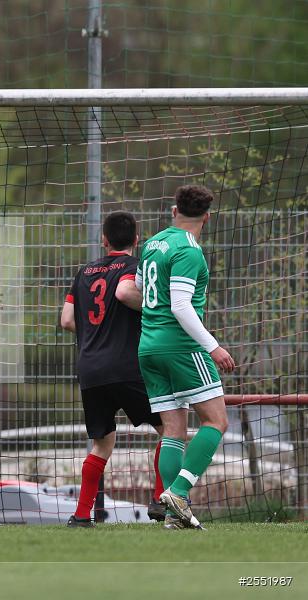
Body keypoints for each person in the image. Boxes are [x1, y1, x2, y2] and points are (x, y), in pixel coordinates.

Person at [137, 185, 236, 529]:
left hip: (148, 347)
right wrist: (213, 345)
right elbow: (180, 305)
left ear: (172, 209)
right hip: (181, 347)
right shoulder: (189, 251)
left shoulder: (151, 244)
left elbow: (140, 291)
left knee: (173, 430)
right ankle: (178, 492)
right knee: (216, 421)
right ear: (207, 217)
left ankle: (173, 516)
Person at [60, 211, 165, 527]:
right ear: (137, 239)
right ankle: (161, 499)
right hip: (128, 366)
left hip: (91, 369)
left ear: (103, 239)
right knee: (170, 429)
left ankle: (81, 515)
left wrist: (96, 332)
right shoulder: (136, 268)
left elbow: (66, 319)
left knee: (102, 443)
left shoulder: (84, 272)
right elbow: (125, 292)